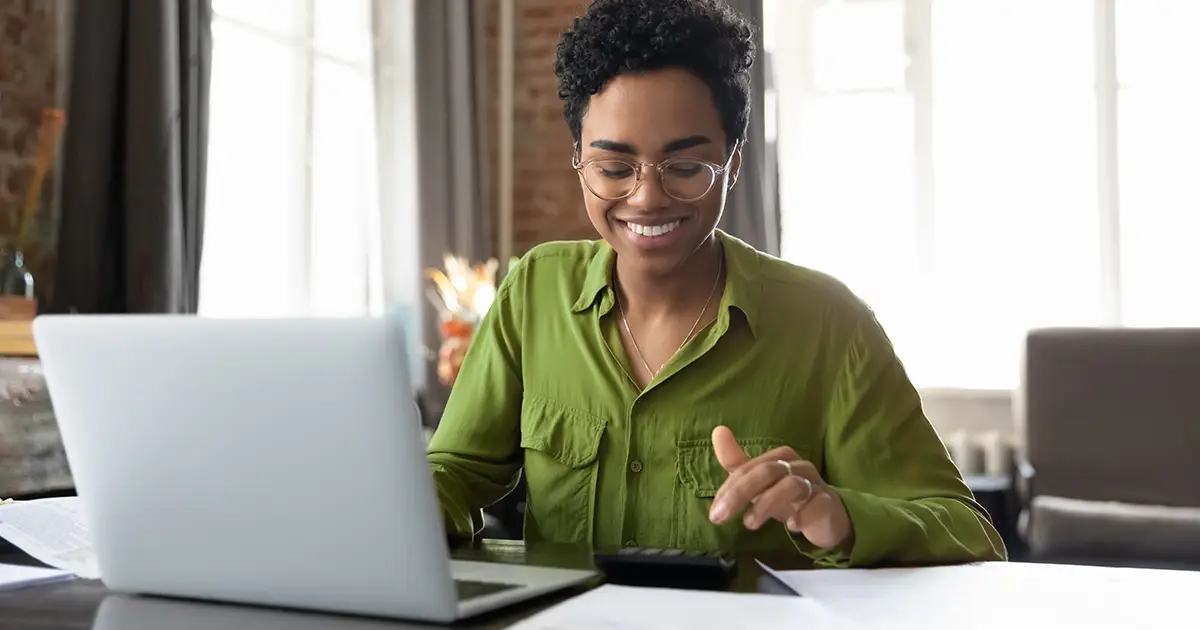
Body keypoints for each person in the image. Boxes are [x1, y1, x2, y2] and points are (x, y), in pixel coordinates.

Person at [426, 0, 1006, 567]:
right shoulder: (534, 292)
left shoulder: (829, 324)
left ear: (732, 163)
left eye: (684, 167)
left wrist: (842, 517)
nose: (647, 197)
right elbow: (454, 473)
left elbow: (968, 531)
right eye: (614, 168)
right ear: (578, 159)